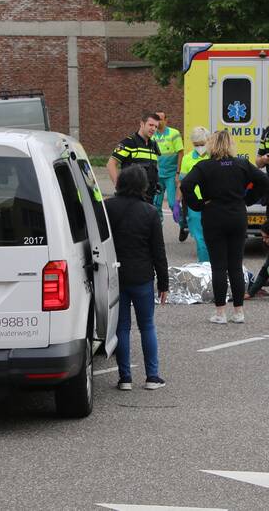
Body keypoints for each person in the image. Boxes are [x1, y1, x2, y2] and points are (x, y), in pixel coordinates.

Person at [180, 130, 269, 324]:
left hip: (213, 215)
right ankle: (239, 312)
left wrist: (199, 204)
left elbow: (186, 184)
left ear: (211, 145)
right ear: (231, 145)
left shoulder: (204, 166)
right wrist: (248, 199)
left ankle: (220, 313)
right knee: (235, 265)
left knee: (219, 266)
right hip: (237, 215)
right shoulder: (242, 164)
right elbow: (264, 180)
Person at [104, 165, 169, 391]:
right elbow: (158, 251)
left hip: (116, 275)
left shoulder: (107, 207)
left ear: (120, 182)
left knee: (122, 328)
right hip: (142, 276)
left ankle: (125, 378)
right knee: (147, 326)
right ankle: (152, 376)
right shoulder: (149, 212)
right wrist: (164, 282)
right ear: (143, 185)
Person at [107, 112, 162, 202]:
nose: (153, 129)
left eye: (156, 127)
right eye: (151, 125)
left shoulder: (153, 145)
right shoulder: (129, 142)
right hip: (132, 199)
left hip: (149, 198)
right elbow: (111, 164)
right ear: (142, 124)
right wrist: (119, 187)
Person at [176, 126, 210, 261]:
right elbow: (182, 182)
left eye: (202, 144)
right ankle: (204, 265)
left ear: (208, 141)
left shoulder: (213, 156)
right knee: (199, 238)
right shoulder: (187, 159)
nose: (200, 147)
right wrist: (177, 202)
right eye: (196, 145)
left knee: (211, 236)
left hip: (212, 202)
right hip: (194, 204)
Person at [152, 111, 184, 223]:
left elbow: (181, 153)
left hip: (171, 174)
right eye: (156, 119)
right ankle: (158, 230)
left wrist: (178, 173)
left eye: (160, 119)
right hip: (158, 175)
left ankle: (183, 224)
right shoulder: (152, 134)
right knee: (156, 204)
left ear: (166, 120)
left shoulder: (174, 133)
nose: (158, 121)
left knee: (172, 203)